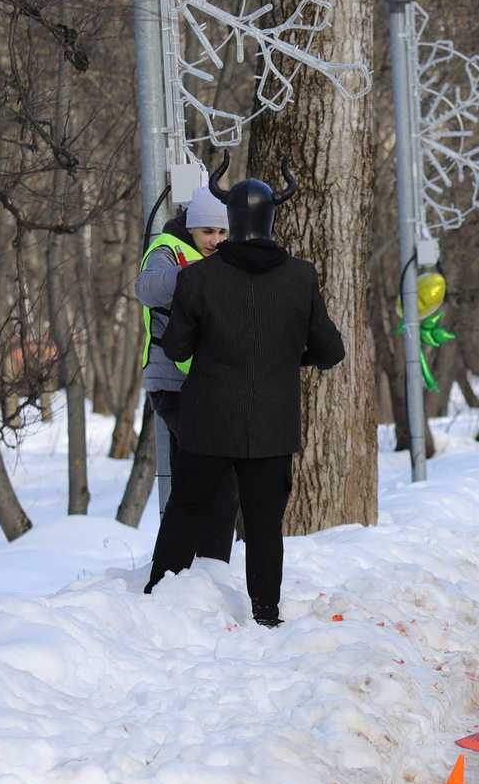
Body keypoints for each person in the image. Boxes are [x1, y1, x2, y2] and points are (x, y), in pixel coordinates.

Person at [145, 176, 345, 627]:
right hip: (272, 424)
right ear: (272, 217)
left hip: (207, 419)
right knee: (263, 523)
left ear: (230, 219)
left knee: (187, 506)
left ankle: (157, 598)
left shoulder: (198, 277)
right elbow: (331, 352)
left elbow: (176, 349)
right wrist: (291, 355)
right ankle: (266, 613)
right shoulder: (301, 276)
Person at [135, 188, 235, 517]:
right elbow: (146, 288)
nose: (216, 240)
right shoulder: (167, 249)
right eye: (208, 231)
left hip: (209, 383)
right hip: (172, 384)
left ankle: (191, 558)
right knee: (208, 471)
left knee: (193, 475)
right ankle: (196, 555)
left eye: (223, 232)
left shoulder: (226, 255)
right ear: (190, 226)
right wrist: (195, 275)